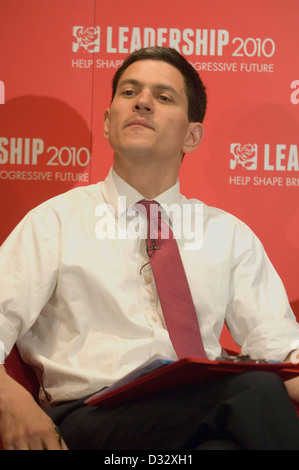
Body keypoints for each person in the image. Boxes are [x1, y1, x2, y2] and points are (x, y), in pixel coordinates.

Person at [1, 46, 299, 451]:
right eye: (129, 92)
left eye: (163, 97)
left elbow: (279, 346)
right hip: (91, 417)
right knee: (257, 393)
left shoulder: (229, 235)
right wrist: (11, 400)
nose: (142, 102)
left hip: (195, 412)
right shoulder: (53, 222)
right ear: (107, 123)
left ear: (191, 135)